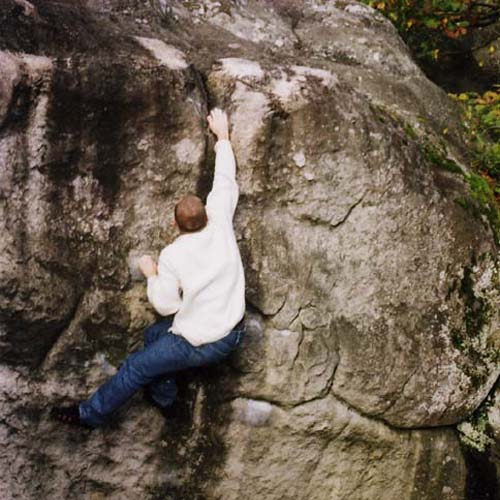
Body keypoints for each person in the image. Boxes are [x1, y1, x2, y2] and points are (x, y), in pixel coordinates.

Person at [51, 108, 246, 429]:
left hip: (206, 340)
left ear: (174, 223)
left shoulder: (173, 255)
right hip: (233, 328)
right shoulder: (221, 219)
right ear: (207, 216)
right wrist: (222, 136)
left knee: (137, 366)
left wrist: (152, 273)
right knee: (154, 334)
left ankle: (90, 415)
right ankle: (165, 397)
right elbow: (225, 179)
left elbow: (167, 304)